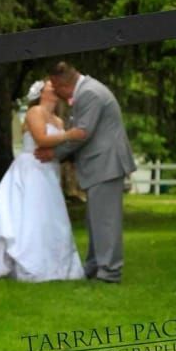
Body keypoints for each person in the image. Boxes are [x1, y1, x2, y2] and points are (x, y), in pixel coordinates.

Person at [35, 62, 136, 284]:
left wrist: (54, 153)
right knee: (96, 219)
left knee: (106, 221)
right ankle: (93, 266)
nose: (56, 94)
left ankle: (109, 272)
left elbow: (83, 134)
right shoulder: (87, 90)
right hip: (101, 164)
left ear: (62, 84)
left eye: (55, 87)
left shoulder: (89, 93)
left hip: (106, 164)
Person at [0, 79, 86, 282]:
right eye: (51, 86)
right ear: (42, 92)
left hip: (50, 171)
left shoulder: (58, 121)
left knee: (52, 217)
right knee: (31, 215)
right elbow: (41, 139)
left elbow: (57, 146)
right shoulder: (35, 113)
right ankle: (28, 264)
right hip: (30, 169)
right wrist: (70, 134)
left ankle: (57, 266)